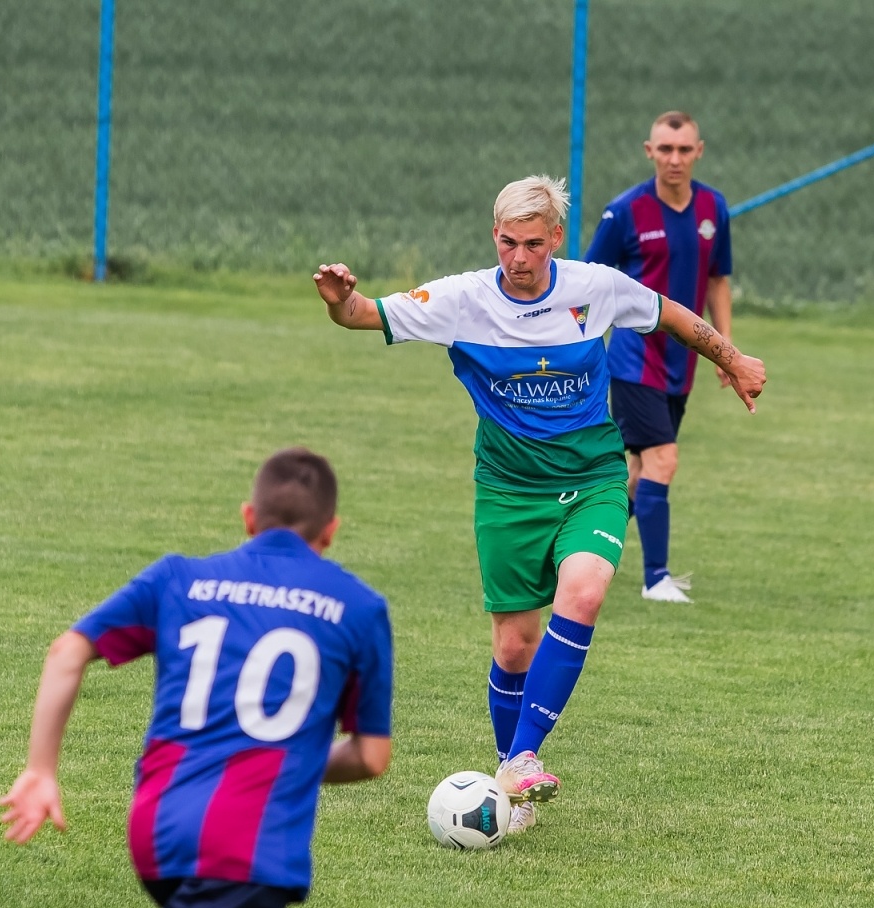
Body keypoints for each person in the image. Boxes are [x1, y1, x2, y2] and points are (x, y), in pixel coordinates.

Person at [313, 176, 762, 833]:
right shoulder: (461, 299)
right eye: (506, 243)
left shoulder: (594, 288)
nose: (517, 257)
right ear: (493, 237)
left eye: (531, 243)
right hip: (508, 491)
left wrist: (732, 356)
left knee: (584, 592)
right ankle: (508, 776)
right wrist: (340, 300)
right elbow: (362, 315)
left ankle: (523, 757)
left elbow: (669, 313)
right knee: (514, 644)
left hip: (593, 478)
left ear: (555, 238)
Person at [0, 448, 393, 908]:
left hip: (158, 830)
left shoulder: (178, 577)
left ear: (247, 518)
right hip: (244, 848)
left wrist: (41, 770)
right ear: (332, 531)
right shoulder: (360, 607)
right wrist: (288, 761)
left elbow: (67, 652)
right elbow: (372, 757)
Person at [585, 111, 735, 604]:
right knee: (663, 461)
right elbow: (587, 283)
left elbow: (717, 280)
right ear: (649, 151)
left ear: (699, 151)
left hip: (682, 364)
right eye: (665, 150)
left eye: (684, 149)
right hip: (633, 360)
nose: (675, 159)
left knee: (636, 474)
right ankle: (656, 580)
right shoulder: (624, 212)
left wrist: (724, 351)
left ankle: (572, 547)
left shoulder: (714, 208)